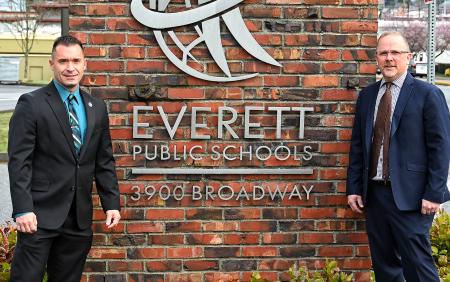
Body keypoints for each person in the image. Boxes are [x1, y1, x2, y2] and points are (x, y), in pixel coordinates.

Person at [8, 35, 121, 282]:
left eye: (75, 61)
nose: (70, 67)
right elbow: (20, 162)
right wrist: (23, 209)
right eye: (63, 61)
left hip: (78, 219)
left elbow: (104, 160)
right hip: (38, 216)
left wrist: (111, 202)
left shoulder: (96, 107)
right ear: (52, 64)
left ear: (84, 64)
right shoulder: (32, 104)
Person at [347, 31, 450, 282]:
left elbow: (441, 146)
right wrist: (354, 188)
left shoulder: (428, 94)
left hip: (413, 197)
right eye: (384, 53)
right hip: (375, 194)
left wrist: (433, 193)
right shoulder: (368, 96)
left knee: (418, 265)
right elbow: (359, 145)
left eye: (395, 53)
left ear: (408, 57)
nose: (389, 58)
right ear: (377, 58)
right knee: (385, 266)